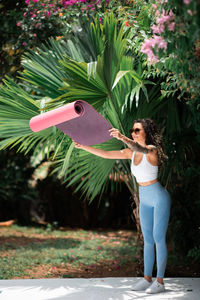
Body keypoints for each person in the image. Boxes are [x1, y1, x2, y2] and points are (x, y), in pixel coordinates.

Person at [73, 118, 171, 294]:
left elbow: (140, 148)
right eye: (132, 130)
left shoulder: (152, 150)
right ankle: (147, 278)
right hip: (144, 196)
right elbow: (106, 154)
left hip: (158, 197)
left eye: (137, 130)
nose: (133, 133)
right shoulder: (130, 153)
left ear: (146, 133)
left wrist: (122, 137)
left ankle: (160, 282)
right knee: (148, 240)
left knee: (158, 238)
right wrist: (83, 146)